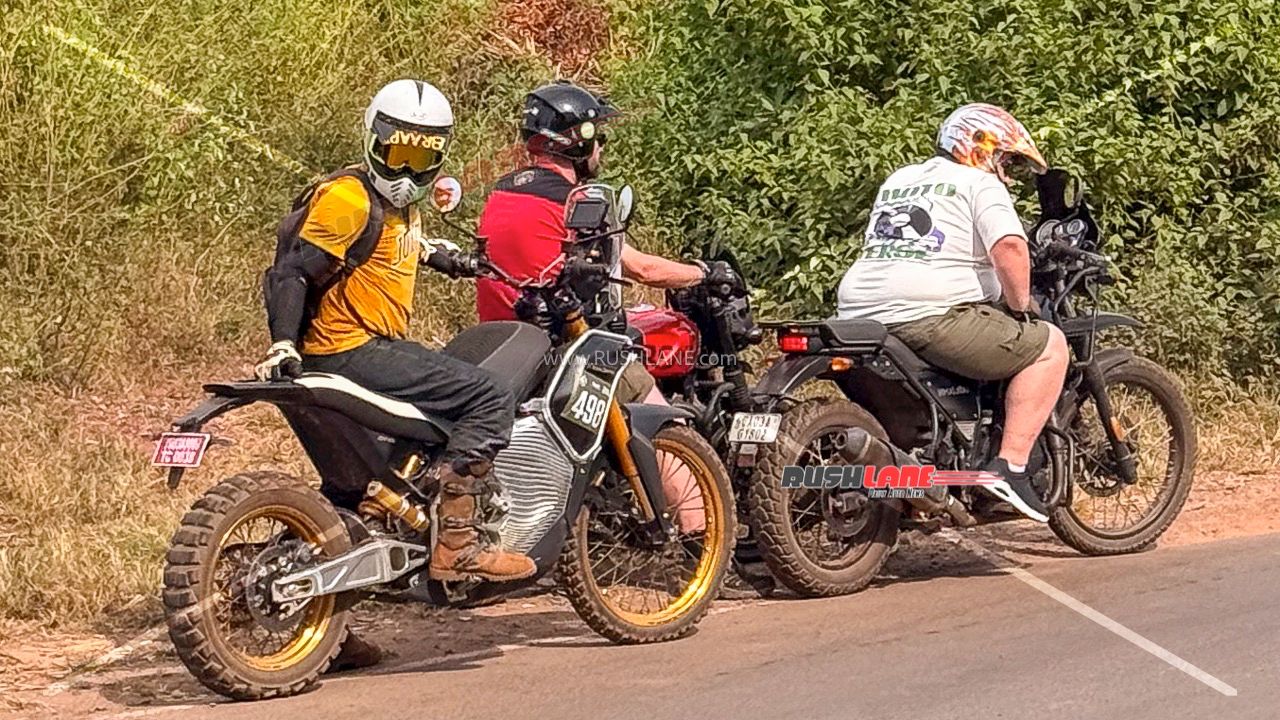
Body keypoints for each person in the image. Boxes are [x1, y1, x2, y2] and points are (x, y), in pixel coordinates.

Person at [255, 79, 538, 599]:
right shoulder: (348, 197)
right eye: (398, 153)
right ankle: (458, 543)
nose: (407, 170)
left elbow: (397, 244)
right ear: (373, 138)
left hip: (353, 349)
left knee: (349, 490)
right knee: (490, 396)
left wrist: (450, 260)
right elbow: (293, 272)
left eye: (421, 158)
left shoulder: (393, 203)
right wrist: (283, 342)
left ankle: (328, 626)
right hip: (350, 349)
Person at [473, 80, 738, 532]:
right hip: (567, 347)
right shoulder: (579, 201)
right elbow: (640, 269)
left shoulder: (500, 194)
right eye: (599, 136)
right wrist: (705, 272)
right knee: (662, 426)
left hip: (508, 347)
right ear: (580, 140)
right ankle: (704, 538)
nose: (604, 148)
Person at [835, 103, 1070, 523]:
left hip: (858, 313)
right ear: (986, 149)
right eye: (1007, 161)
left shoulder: (900, 179)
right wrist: (1022, 307)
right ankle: (1010, 469)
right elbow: (1011, 249)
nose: (1007, 173)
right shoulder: (978, 183)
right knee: (1050, 345)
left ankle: (919, 475)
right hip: (927, 313)